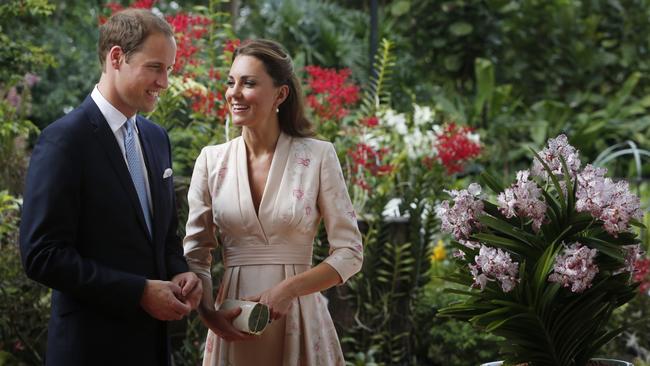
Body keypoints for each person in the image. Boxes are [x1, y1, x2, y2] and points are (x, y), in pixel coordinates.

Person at [19, 9, 201, 366]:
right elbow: (42, 255)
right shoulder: (63, 141)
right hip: (90, 350)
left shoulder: (156, 138)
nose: (164, 82)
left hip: (153, 349)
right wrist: (138, 292)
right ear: (116, 57)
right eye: (155, 67)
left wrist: (179, 269)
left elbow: (162, 235)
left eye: (170, 70)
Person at [183, 39, 364, 366]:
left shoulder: (318, 156)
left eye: (248, 83)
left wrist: (289, 290)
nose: (234, 93)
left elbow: (350, 252)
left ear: (280, 94)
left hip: (298, 321)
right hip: (233, 326)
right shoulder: (211, 161)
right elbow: (196, 253)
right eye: (231, 82)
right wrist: (209, 314)